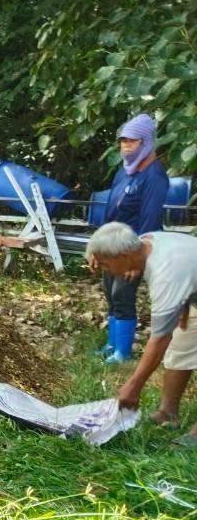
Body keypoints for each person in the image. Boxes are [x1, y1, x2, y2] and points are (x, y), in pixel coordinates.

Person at [87, 223, 197, 448]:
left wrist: (133, 386)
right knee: (181, 345)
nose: (105, 270)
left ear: (124, 257)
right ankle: (168, 413)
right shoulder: (144, 241)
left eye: (106, 265)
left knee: (169, 338)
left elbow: (159, 339)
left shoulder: (166, 273)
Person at [90, 114, 169, 364]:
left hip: (131, 250)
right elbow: (110, 214)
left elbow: (151, 220)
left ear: (145, 143)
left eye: (131, 142)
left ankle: (123, 353)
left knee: (123, 295)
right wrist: (97, 248)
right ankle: (111, 345)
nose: (125, 147)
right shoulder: (123, 173)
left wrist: (137, 261)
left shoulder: (154, 176)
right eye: (122, 142)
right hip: (112, 246)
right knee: (111, 294)